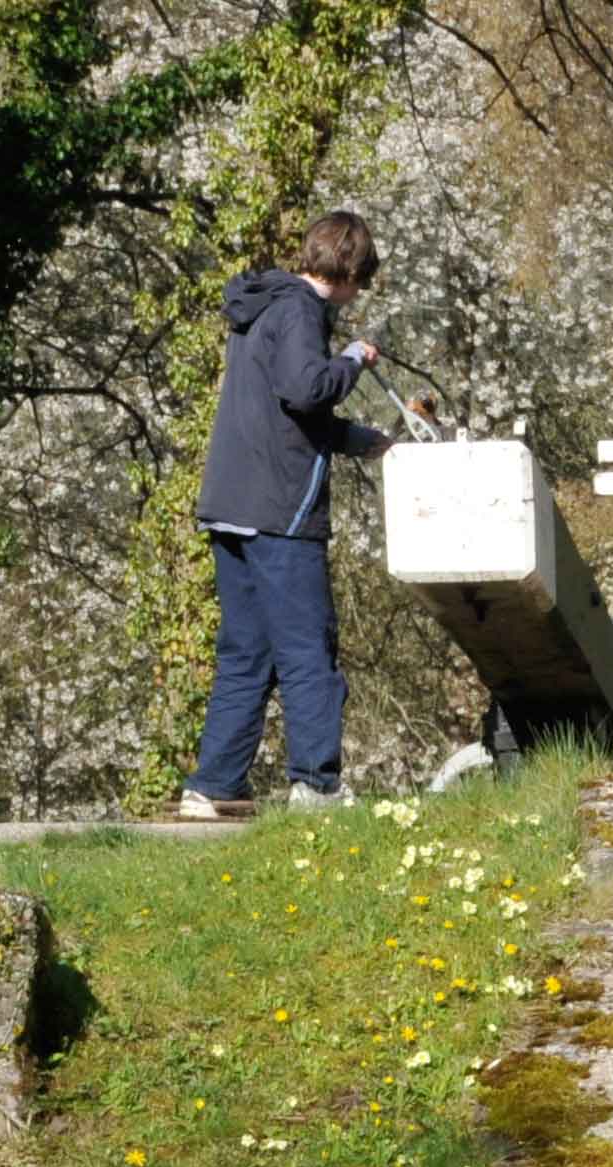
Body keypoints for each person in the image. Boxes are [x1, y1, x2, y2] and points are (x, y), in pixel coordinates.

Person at [177, 210, 393, 820]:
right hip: (280, 512)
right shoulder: (300, 310)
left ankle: (214, 784)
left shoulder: (262, 307)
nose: (356, 298)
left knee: (246, 650)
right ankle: (317, 787)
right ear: (350, 273)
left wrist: (356, 440)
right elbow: (305, 389)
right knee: (307, 647)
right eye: (360, 284)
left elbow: (286, 412)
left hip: (232, 506)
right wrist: (351, 361)